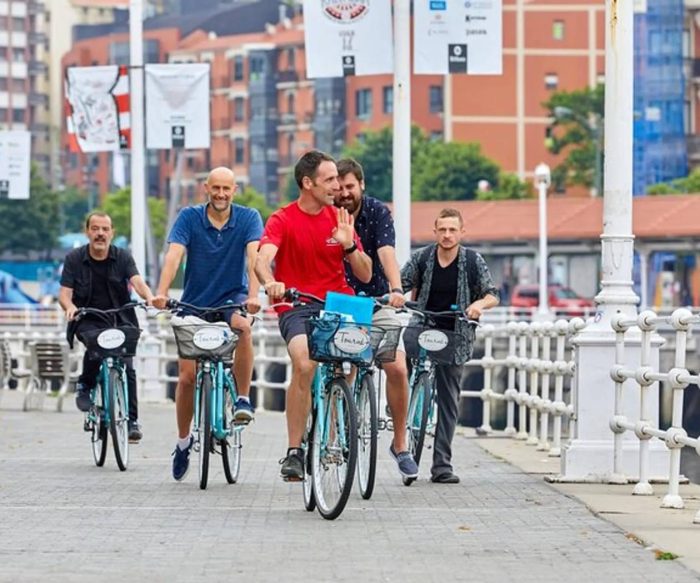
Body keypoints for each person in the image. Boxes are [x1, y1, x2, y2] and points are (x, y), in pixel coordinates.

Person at [255, 150, 372, 481]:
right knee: (304, 364)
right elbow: (263, 259)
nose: (338, 185)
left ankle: (337, 421)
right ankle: (294, 451)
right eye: (330, 179)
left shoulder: (340, 218)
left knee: (352, 358)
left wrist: (350, 247)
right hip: (297, 303)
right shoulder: (282, 219)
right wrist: (271, 282)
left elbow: (364, 274)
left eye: (338, 178)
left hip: (338, 302)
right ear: (307, 183)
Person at [152, 167, 263, 482]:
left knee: (243, 327)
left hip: (232, 299)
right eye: (215, 188)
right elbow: (174, 256)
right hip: (194, 304)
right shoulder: (189, 217)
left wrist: (254, 296)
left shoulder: (248, 218)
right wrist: (161, 291)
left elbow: (255, 258)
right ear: (205, 188)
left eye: (227, 189)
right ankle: (184, 441)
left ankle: (242, 398)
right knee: (187, 377)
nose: (221, 194)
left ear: (235, 190)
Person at [400, 208, 499, 484]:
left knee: (449, 397)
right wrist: (394, 295)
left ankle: (441, 465)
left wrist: (478, 305)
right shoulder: (421, 258)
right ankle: (407, 394)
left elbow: (492, 293)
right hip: (424, 323)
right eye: (442, 230)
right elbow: (400, 283)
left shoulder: (472, 260)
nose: (447, 235)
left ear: (461, 232)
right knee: (404, 347)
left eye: (452, 230)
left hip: (455, 330)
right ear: (435, 232)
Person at [335, 157, 418, 480]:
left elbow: (386, 252)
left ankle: (400, 444)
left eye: (350, 186)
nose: (344, 193)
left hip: (380, 298)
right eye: (339, 187)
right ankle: (335, 427)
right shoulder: (327, 214)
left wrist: (397, 288)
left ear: (362, 185)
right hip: (344, 301)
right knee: (345, 365)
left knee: (396, 366)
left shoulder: (378, 212)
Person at [58, 211, 155, 442]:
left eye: (105, 229)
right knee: (94, 347)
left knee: (128, 365)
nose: (100, 233)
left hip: (120, 317)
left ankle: (132, 421)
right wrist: (70, 308)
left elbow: (137, 281)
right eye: (95, 228)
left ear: (112, 233)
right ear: (87, 231)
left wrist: (150, 297)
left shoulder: (122, 257)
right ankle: (85, 385)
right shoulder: (74, 258)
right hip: (88, 317)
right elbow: (64, 294)